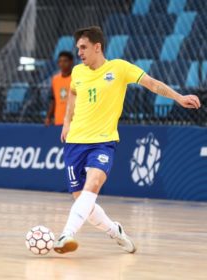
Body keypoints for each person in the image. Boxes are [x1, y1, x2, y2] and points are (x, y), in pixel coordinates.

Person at [54, 26, 201, 254]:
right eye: (78, 48)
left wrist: (179, 97)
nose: (80, 52)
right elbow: (73, 93)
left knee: (92, 185)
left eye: (83, 47)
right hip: (75, 142)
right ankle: (115, 231)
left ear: (97, 47)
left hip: (103, 142)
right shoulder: (78, 72)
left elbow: (152, 83)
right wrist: (66, 121)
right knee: (82, 200)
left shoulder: (119, 68)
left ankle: (66, 234)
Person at [45, 51, 74, 126]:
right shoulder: (55, 79)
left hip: (74, 122)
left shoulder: (76, 79)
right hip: (59, 120)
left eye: (65, 61)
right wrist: (48, 117)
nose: (62, 64)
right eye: (60, 61)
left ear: (71, 62)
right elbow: (53, 100)